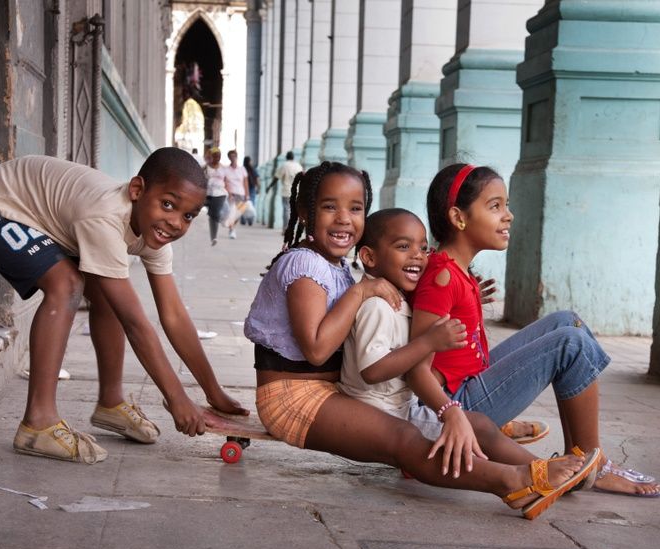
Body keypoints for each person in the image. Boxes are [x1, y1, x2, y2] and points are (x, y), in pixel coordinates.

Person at [243, 161, 599, 519]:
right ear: (305, 213)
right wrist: (362, 292)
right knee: (405, 439)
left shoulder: (335, 266)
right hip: (292, 398)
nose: (343, 219)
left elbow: (381, 317)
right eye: (329, 207)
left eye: (355, 209)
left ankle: (530, 470)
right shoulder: (303, 264)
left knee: (430, 428)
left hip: (329, 393)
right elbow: (318, 350)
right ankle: (513, 482)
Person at [0, 149, 248, 465]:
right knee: (66, 284)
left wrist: (212, 391)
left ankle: (111, 402)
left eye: (188, 215)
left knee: (110, 290)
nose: (175, 222)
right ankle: (38, 422)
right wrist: (177, 399)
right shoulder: (105, 217)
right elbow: (135, 323)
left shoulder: (154, 231)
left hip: (44, 218)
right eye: (168, 205)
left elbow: (173, 315)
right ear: (137, 190)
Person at [410, 163, 660, 497]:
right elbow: (416, 367)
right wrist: (450, 414)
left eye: (506, 205)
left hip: (467, 387)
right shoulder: (442, 276)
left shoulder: (456, 272)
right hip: (455, 405)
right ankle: (594, 465)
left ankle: (581, 458)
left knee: (566, 321)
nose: (508, 215)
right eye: (495, 206)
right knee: (570, 344)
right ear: (459, 218)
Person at [270, 151, 303, 234]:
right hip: (297, 191)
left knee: (286, 210)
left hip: (286, 191)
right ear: (293, 157)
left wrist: (269, 186)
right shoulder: (298, 166)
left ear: (286, 157)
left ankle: (286, 229)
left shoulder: (284, 165)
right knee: (294, 210)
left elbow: (276, 177)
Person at [203, 147, 229, 246]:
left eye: (219, 156)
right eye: (215, 155)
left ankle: (214, 237)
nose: (217, 157)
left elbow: (227, 181)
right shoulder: (205, 167)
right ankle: (213, 236)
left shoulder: (223, 168)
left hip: (220, 193)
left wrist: (230, 193)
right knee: (212, 214)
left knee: (215, 214)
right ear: (211, 156)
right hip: (208, 193)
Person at [223, 149, 249, 239]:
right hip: (231, 194)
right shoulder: (226, 169)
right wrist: (229, 193)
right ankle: (232, 230)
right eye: (231, 156)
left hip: (241, 193)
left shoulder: (242, 169)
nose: (233, 158)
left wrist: (247, 194)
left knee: (238, 213)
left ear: (236, 157)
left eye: (234, 156)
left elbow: (245, 182)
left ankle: (232, 227)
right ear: (229, 158)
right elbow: (224, 182)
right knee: (231, 212)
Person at [241, 156, 260, 226]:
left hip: (242, 189)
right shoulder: (253, 169)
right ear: (249, 161)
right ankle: (250, 220)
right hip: (252, 189)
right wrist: (258, 188)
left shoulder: (242, 169)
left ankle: (243, 219)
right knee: (251, 204)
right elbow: (257, 179)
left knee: (243, 204)